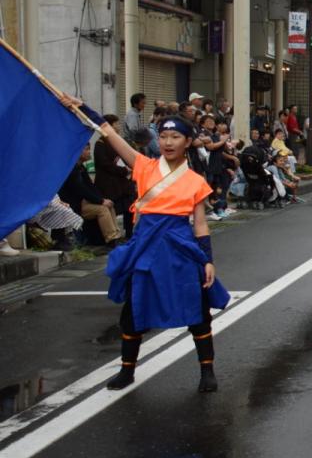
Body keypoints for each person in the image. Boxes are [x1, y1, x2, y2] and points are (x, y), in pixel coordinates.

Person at [65, 98, 230, 393]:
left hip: (181, 249)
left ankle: (207, 371)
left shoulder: (195, 180)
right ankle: (127, 371)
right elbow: (108, 134)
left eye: (175, 136)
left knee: (197, 311)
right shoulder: (143, 166)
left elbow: (200, 224)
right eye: (163, 136)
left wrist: (207, 260)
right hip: (146, 247)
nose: (168, 142)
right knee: (133, 310)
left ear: (188, 142)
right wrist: (82, 107)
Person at [59, 143, 122, 249]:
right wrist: (100, 201)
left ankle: (116, 236)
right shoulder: (72, 169)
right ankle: (111, 239)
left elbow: (90, 186)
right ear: (79, 152)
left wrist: (102, 199)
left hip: (82, 202)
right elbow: (81, 190)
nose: (89, 152)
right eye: (87, 149)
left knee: (109, 205)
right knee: (102, 209)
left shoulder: (81, 167)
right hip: (73, 205)